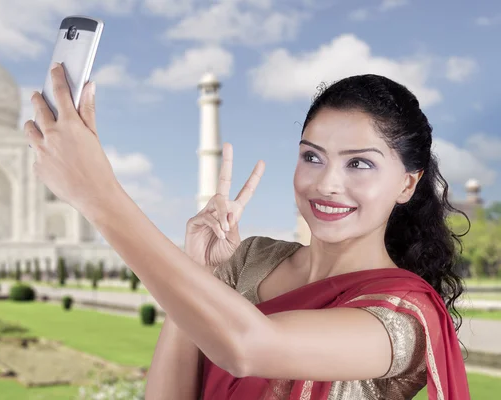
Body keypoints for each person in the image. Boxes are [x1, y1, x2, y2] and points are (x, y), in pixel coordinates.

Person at [25, 64, 471, 399]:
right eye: (312, 156)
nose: (326, 183)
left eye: (359, 163)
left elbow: (248, 346)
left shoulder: (406, 314)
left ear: (407, 183)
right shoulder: (254, 258)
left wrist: (99, 195)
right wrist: (196, 269)